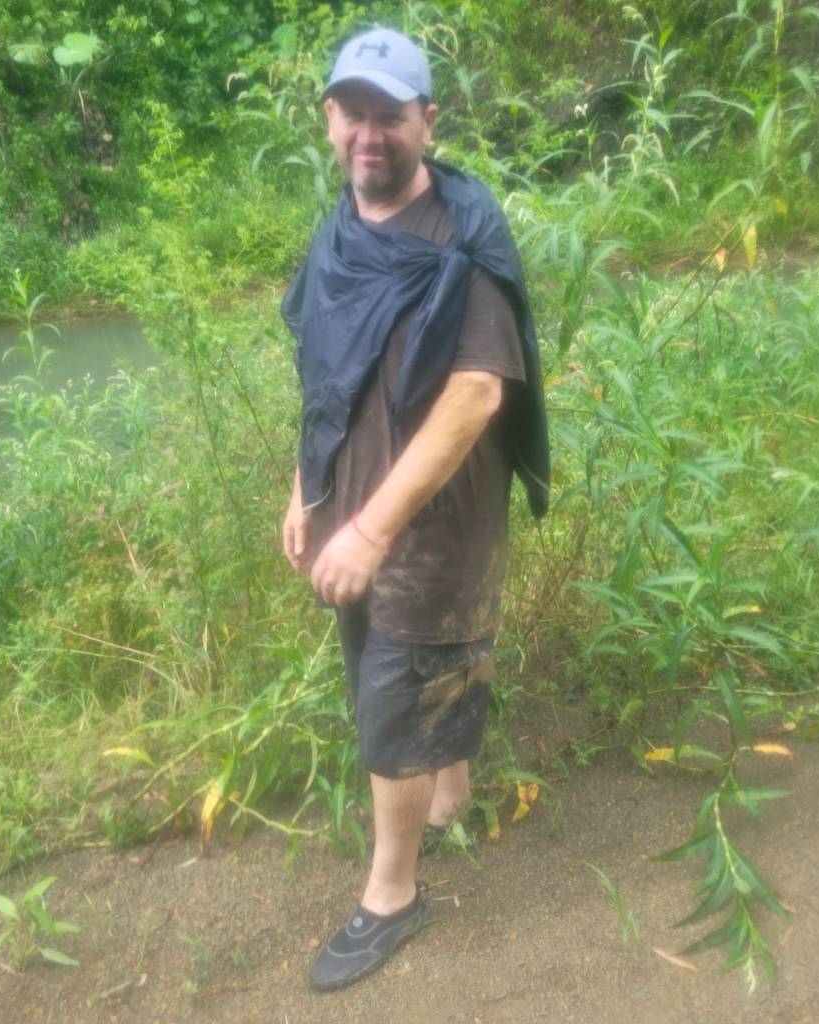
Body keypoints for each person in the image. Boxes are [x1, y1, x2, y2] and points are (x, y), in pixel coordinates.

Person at [280, 26, 550, 991]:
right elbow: (326, 373)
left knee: (394, 700)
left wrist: (369, 527)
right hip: (353, 509)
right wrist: (307, 489)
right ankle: (451, 793)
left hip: (430, 529)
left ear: (427, 121)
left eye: (389, 116)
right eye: (353, 113)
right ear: (329, 119)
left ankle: (392, 895)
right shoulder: (339, 233)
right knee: (395, 671)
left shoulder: (461, 243)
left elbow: (476, 394)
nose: (369, 134)